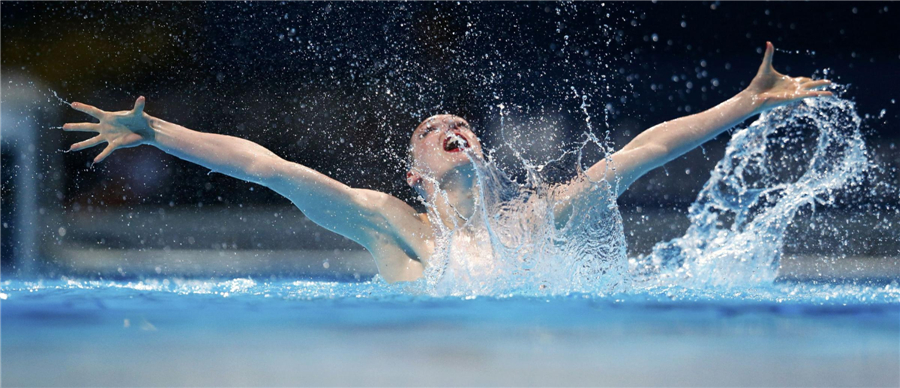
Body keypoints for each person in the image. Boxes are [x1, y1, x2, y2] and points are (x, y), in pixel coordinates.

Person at [62, 42, 831, 283]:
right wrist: (157, 131)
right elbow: (268, 167)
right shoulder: (395, 226)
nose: (450, 126)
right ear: (415, 171)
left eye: (460, 122)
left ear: (482, 149)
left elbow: (643, 151)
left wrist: (744, 103)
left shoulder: (538, 218)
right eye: (432, 128)